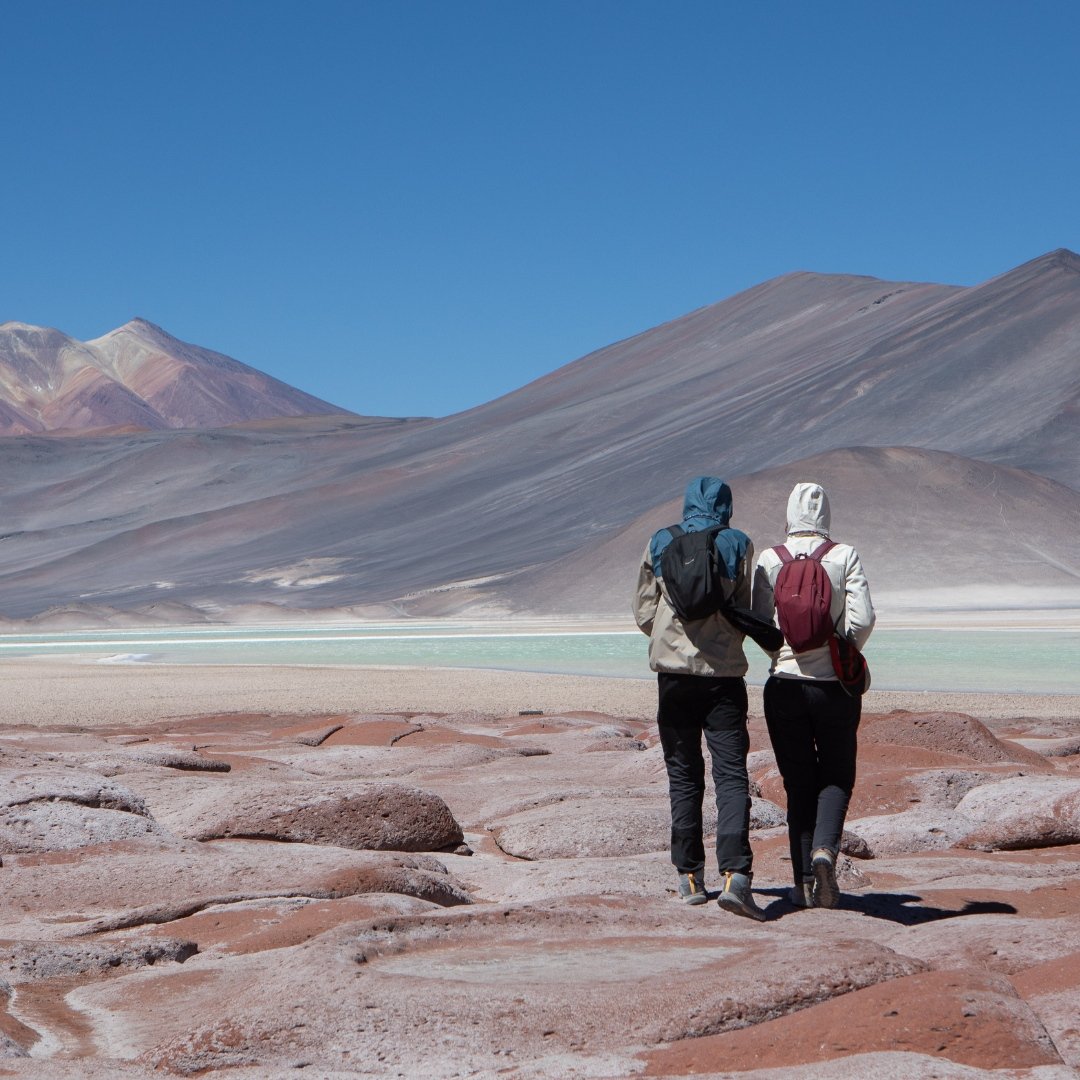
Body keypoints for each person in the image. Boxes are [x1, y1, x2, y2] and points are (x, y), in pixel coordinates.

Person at [632, 476, 765, 921]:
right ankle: (735, 876)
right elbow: (747, 607)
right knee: (730, 775)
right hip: (723, 676)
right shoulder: (738, 543)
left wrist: (671, 637)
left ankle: (689, 876)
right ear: (725, 506)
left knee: (684, 776)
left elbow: (644, 611)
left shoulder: (659, 541)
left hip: (672, 679)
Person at [751, 482, 875, 909]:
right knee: (837, 775)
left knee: (798, 783)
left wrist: (783, 654)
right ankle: (825, 851)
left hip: (784, 686)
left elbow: (761, 623)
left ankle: (803, 883)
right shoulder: (844, 555)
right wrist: (840, 651)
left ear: (788, 514)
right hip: (834, 689)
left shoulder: (770, 559)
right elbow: (862, 620)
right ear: (826, 518)